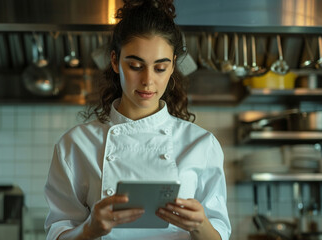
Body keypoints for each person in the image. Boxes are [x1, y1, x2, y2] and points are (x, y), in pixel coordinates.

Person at [44, 0, 231, 239]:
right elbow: (57, 231)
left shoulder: (201, 145)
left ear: (173, 65)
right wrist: (90, 230)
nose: (148, 81)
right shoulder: (75, 145)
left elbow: (220, 234)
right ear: (114, 61)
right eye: (135, 66)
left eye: (160, 68)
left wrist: (199, 225)